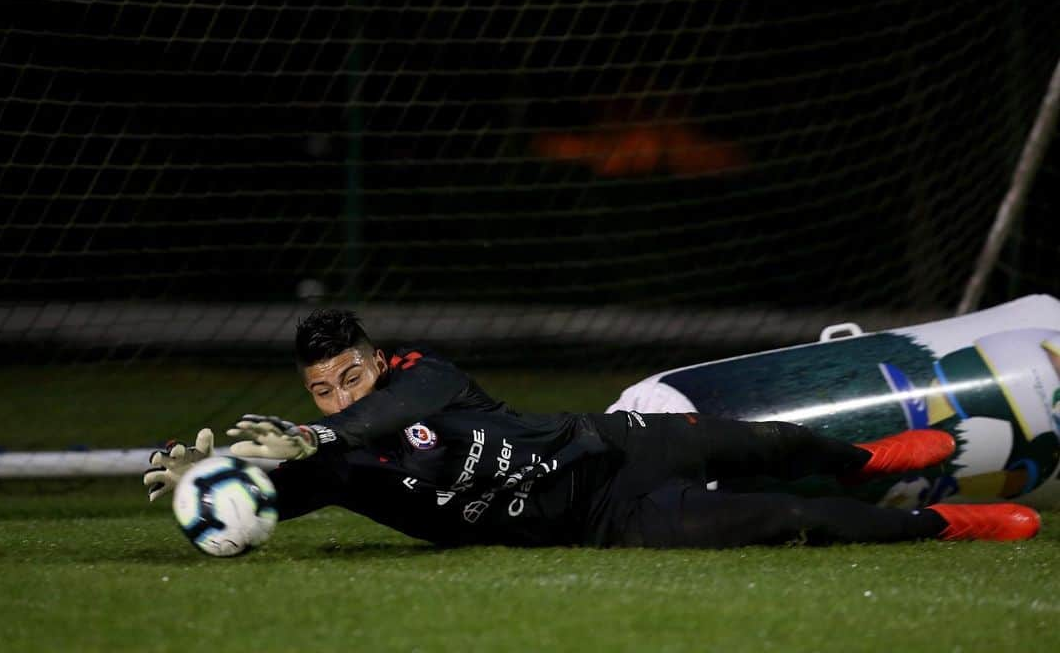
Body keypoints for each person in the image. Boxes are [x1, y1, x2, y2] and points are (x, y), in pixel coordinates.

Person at [144, 310, 1041, 548]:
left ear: (379, 361)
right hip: (603, 518)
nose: (341, 396)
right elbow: (278, 493)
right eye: (321, 390)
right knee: (781, 520)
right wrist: (216, 486)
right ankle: (944, 523)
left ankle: (864, 457)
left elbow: (394, 415)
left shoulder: (425, 377)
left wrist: (317, 432)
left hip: (613, 443)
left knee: (765, 442)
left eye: (351, 374)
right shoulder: (335, 461)